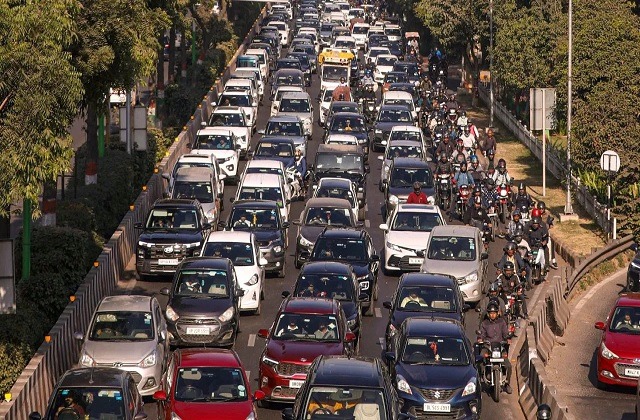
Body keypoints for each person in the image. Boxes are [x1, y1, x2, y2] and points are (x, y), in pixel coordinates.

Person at [478, 304, 513, 394]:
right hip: (488, 346)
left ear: (497, 313)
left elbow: (505, 333)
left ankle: (507, 384)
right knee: (480, 361)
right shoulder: (484, 323)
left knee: (508, 365)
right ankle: (480, 381)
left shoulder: (502, 322)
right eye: (491, 313)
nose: (492, 315)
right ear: (488, 314)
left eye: (494, 313)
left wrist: (508, 338)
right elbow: (482, 334)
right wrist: (480, 339)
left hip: (500, 347)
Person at [537, 201, 558, 269]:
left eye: (542, 209)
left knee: (550, 244)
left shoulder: (547, 216)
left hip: (545, 234)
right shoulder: (535, 215)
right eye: (540, 209)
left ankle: (553, 260)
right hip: (536, 233)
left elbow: (551, 224)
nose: (541, 210)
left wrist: (550, 224)